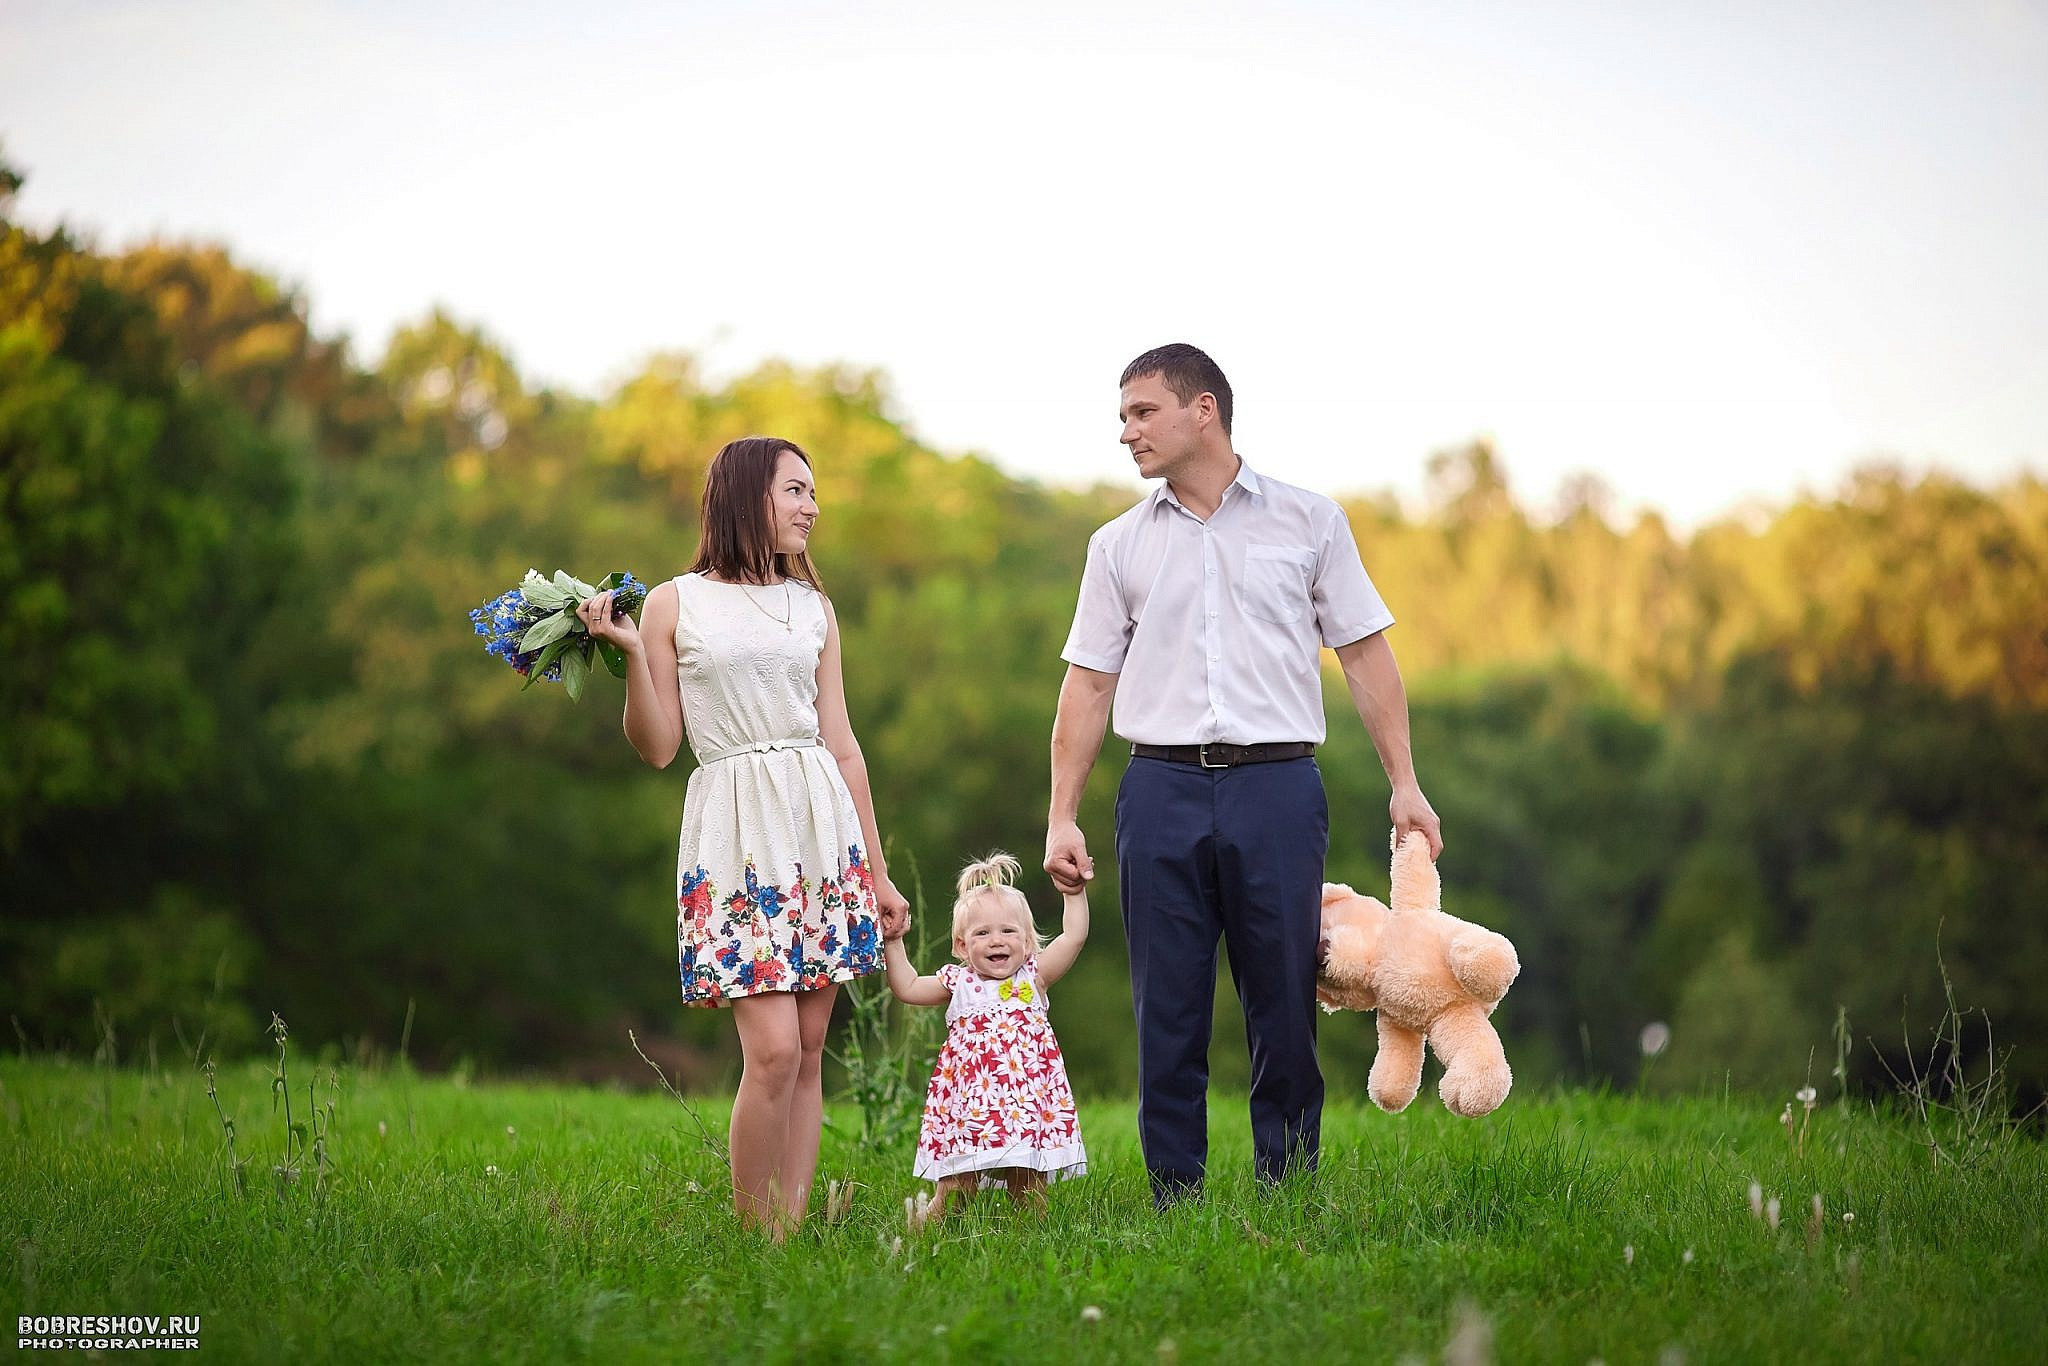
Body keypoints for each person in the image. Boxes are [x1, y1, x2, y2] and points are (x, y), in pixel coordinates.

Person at [1044, 343, 1441, 1207]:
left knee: (1285, 1005)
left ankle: (1288, 1190)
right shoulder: (1115, 546)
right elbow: (1088, 680)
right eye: (1122, 417)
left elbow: (1366, 656)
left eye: (1141, 412)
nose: (1126, 433)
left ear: (1204, 411)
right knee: (1169, 1011)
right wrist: (1061, 815)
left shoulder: (1311, 521)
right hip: (1158, 790)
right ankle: (1175, 1200)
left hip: (1277, 789)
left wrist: (1404, 783)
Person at [579, 434, 911, 1237]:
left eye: (813, 492)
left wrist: (878, 870)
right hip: (735, 829)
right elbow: (658, 745)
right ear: (745, 496)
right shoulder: (673, 602)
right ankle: (753, 1237)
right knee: (769, 1050)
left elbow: (843, 743)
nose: (812, 507)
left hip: (819, 823)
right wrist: (627, 657)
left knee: (806, 1041)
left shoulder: (814, 608)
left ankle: (788, 1235)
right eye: (796, 490)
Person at [884, 852, 1089, 1217]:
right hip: (971, 1110)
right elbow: (908, 986)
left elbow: (1073, 936)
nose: (997, 941)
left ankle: (1031, 1244)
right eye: (982, 933)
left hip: (1025, 1109)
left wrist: (1073, 893)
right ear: (962, 946)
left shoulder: (1033, 976)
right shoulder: (958, 982)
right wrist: (893, 939)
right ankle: (927, 1230)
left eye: (1008, 931)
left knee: (1028, 1184)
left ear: (1027, 942)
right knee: (956, 1188)